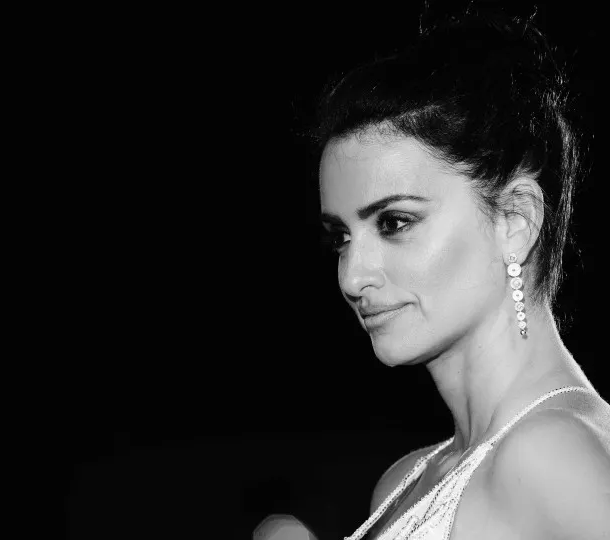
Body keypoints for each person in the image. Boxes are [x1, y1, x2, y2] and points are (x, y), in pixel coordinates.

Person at [257, 9, 610, 540]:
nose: (351, 277)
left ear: (515, 220)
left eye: (394, 222)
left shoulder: (551, 457)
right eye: (341, 237)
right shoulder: (406, 481)